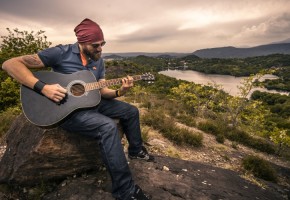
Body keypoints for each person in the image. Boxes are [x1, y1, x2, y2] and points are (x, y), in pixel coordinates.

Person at [2, 18, 154, 200]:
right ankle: (125, 191)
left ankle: (136, 151)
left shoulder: (99, 61)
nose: (100, 49)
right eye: (95, 45)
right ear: (82, 42)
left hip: (92, 102)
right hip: (65, 109)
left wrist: (120, 90)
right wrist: (43, 87)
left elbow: (101, 90)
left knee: (131, 111)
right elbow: (9, 64)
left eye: (102, 44)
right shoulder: (60, 52)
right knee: (107, 127)